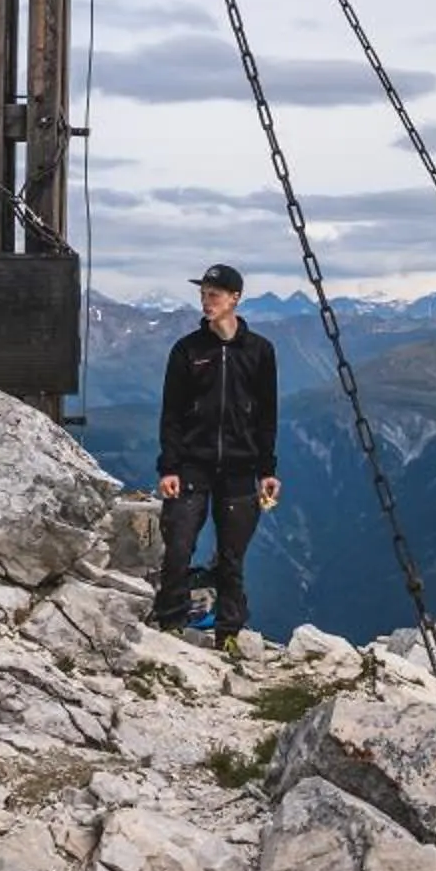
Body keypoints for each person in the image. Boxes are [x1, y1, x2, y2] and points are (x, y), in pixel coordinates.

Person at [153, 262, 281, 651]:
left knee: (231, 557)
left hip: (242, 468)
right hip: (193, 464)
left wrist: (267, 470)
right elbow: (171, 412)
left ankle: (228, 634)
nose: (206, 302)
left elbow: (267, 415)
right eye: (203, 295)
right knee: (178, 546)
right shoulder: (188, 350)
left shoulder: (259, 351)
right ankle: (170, 625)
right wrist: (169, 466)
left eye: (214, 295)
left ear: (234, 299)